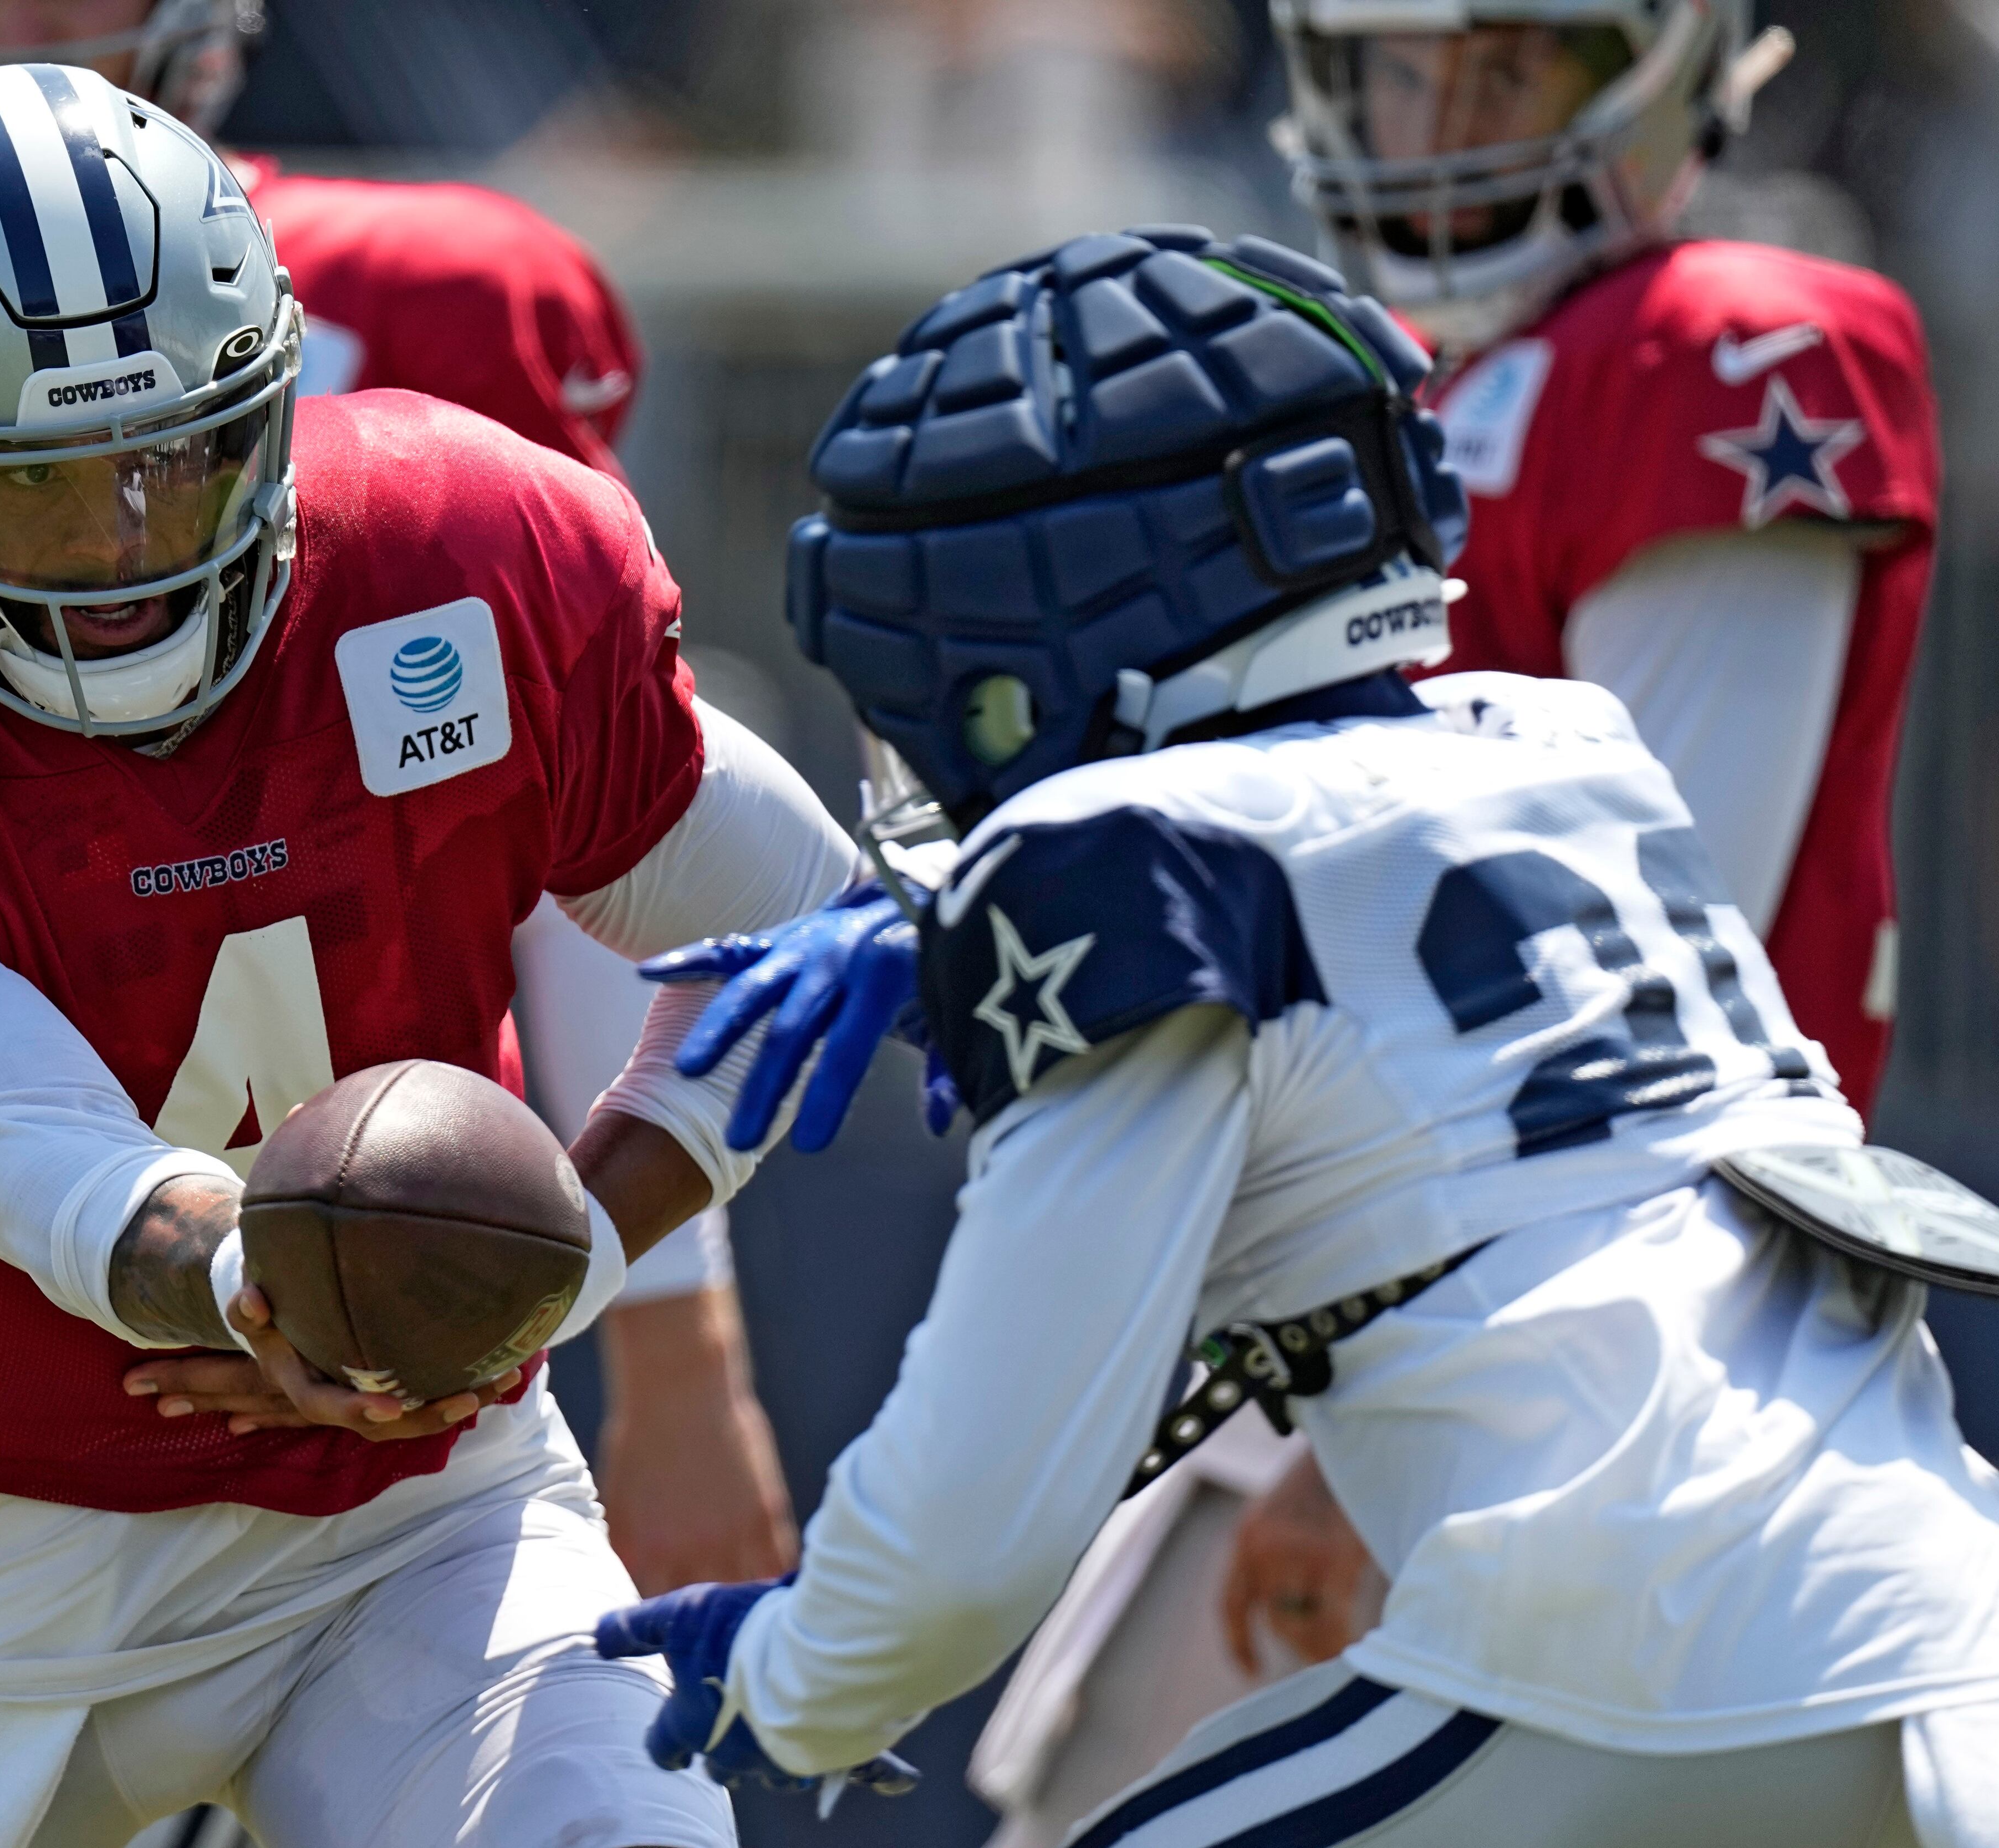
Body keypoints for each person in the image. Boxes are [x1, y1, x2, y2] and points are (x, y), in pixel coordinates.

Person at [598, 226, 1999, 1846]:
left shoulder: (1126, 869)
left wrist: (795, 1673)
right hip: (1944, 1626)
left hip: (1628, 1652)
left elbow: (974, 1522)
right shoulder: (1559, 741)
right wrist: (948, 939)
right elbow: (1351, 905)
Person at [0, 0, 794, 1672]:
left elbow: (578, 835)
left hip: (395, 1225)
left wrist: (674, 1342)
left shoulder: (439, 300)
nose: (28, 19)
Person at [930, 9, 1949, 1829]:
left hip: (1596, 1337)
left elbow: (1640, 951)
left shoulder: (1705, 346)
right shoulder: (1390, 379)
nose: (1445, 123)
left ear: (1656, 71)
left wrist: (1351, 1444)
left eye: (1511, 70)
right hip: (1364, 1296)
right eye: (1407, 69)